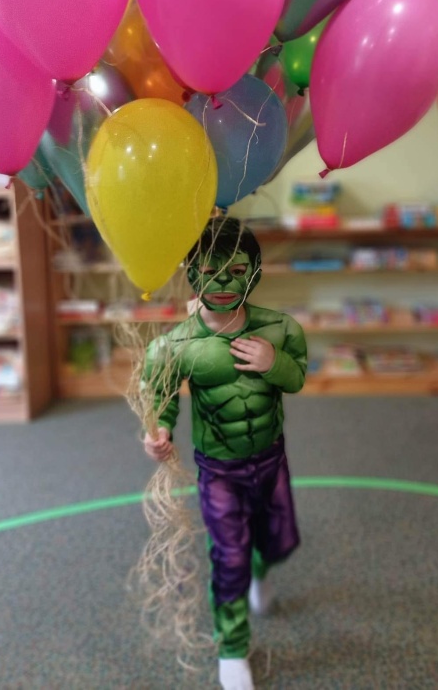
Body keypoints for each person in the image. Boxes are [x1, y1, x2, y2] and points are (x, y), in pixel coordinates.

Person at [142, 217, 307, 690]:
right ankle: (232, 648)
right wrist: (158, 431)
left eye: (235, 272)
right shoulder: (176, 345)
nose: (221, 284)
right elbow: (160, 397)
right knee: (229, 557)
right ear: (191, 273)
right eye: (210, 272)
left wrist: (273, 363)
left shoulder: (280, 329)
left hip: (271, 459)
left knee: (279, 543)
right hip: (219, 470)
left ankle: (261, 571)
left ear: (255, 273)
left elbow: (297, 378)